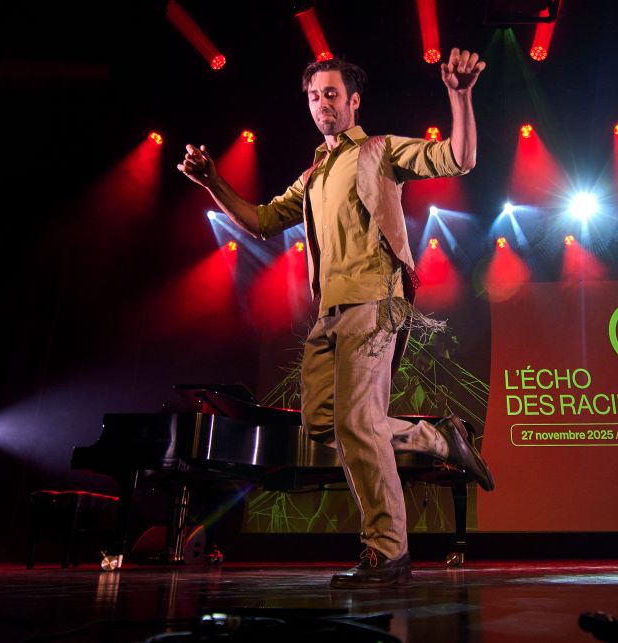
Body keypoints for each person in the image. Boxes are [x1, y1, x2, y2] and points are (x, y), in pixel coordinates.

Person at [177, 48, 494, 588]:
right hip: (328, 314)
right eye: (313, 96)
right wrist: (213, 182)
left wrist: (459, 96)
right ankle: (438, 438)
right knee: (323, 424)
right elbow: (261, 221)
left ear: (353, 101)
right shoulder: (313, 176)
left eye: (330, 94)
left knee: (358, 424)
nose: (321, 103)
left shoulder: (379, 150)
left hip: (376, 299)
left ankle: (388, 552)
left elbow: (458, 159)